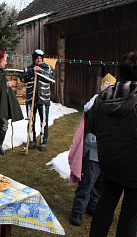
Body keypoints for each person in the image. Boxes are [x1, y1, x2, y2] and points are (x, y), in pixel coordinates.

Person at [88, 50, 137, 237]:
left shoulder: (104, 95)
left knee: (105, 205)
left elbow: (92, 125)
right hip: (133, 167)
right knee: (129, 215)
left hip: (109, 161)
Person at [68, 81, 111, 226]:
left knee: (100, 182)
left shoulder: (115, 102)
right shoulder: (96, 101)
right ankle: (77, 211)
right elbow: (87, 108)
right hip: (93, 147)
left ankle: (92, 207)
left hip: (107, 149)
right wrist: (101, 93)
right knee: (88, 182)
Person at [20, 49, 55, 152]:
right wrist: (32, 71)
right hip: (31, 99)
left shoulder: (48, 68)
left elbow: (52, 79)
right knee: (31, 121)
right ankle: (31, 140)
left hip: (43, 99)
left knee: (44, 121)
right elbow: (22, 79)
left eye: (40, 58)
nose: (39, 60)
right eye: (37, 58)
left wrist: (40, 71)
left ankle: (43, 142)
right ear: (34, 59)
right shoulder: (28, 68)